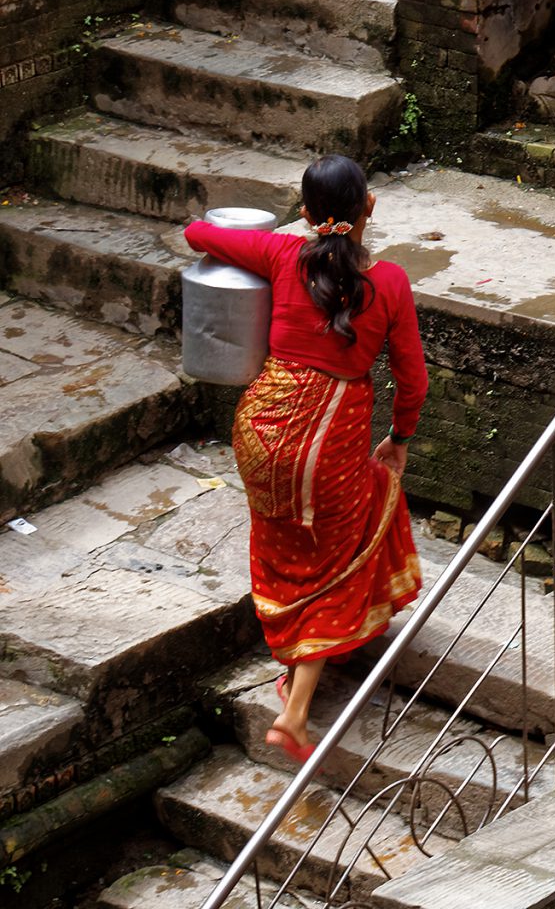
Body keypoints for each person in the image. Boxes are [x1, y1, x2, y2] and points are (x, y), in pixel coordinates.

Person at [184, 154, 428, 763]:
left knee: (289, 545)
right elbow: (413, 380)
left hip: (262, 428)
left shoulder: (281, 253)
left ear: (304, 212)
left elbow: (196, 233)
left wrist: (261, 232)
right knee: (331, 555)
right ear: (369, 206)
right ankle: (295, 712)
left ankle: (300, 662)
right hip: (328, 436)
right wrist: (399, 439)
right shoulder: (390, 282)